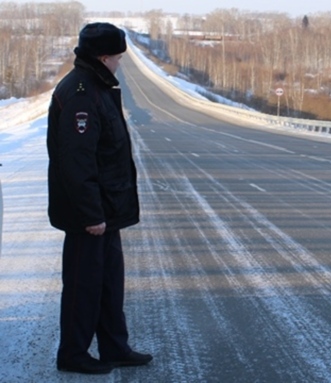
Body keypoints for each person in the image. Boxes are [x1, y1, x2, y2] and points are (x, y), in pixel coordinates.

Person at [47, 22, 152, 374]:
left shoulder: (97, 86)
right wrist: (91, 214)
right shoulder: (81, 92)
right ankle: (73, 354)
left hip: (106, 211)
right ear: (103, 56)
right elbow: (77, 161)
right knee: (83, 286)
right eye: (118, 57)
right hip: (88, 216)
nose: (120, 63)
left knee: (109, 284)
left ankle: (114, 348)